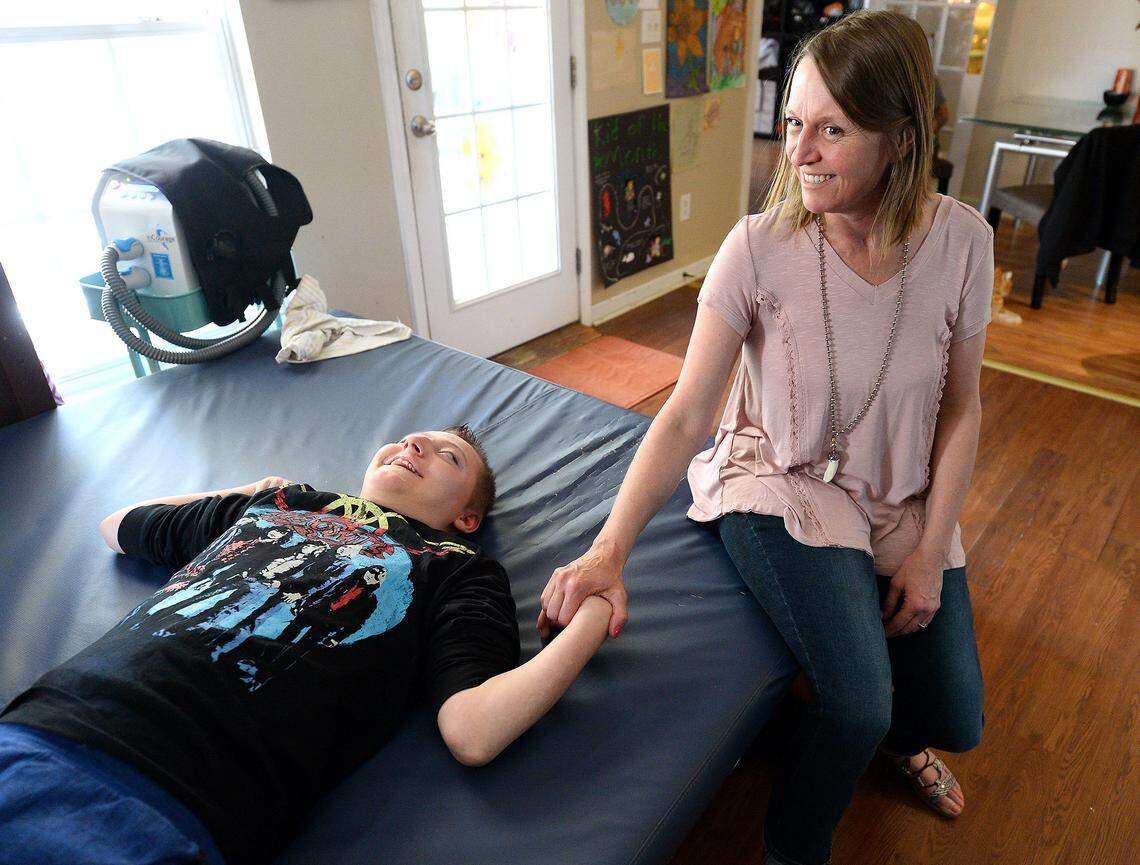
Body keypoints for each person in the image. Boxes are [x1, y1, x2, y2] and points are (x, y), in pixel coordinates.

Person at [538, 11, 989, 865]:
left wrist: (930, 548)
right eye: (793, 124)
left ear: (899, 139)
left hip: (896, 493)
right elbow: (682, 416)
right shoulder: (758, 247)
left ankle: (882, 731)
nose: (799, 151)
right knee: (860, 704)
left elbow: (965, 407)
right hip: (779, 479)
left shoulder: (962, 240)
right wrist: (608, 552)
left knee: (956, 718)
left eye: (830, 130)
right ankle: (793, 843)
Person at [0, 425, 613, 865]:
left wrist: (593, 614)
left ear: (468, 518)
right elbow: (120, 526)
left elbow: (475, 730)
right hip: (39, 729)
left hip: (167, 800)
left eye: (446, 456)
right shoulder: (285, 504)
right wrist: (243, 493)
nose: (414, 446)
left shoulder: (455, 566)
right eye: (406, 440)